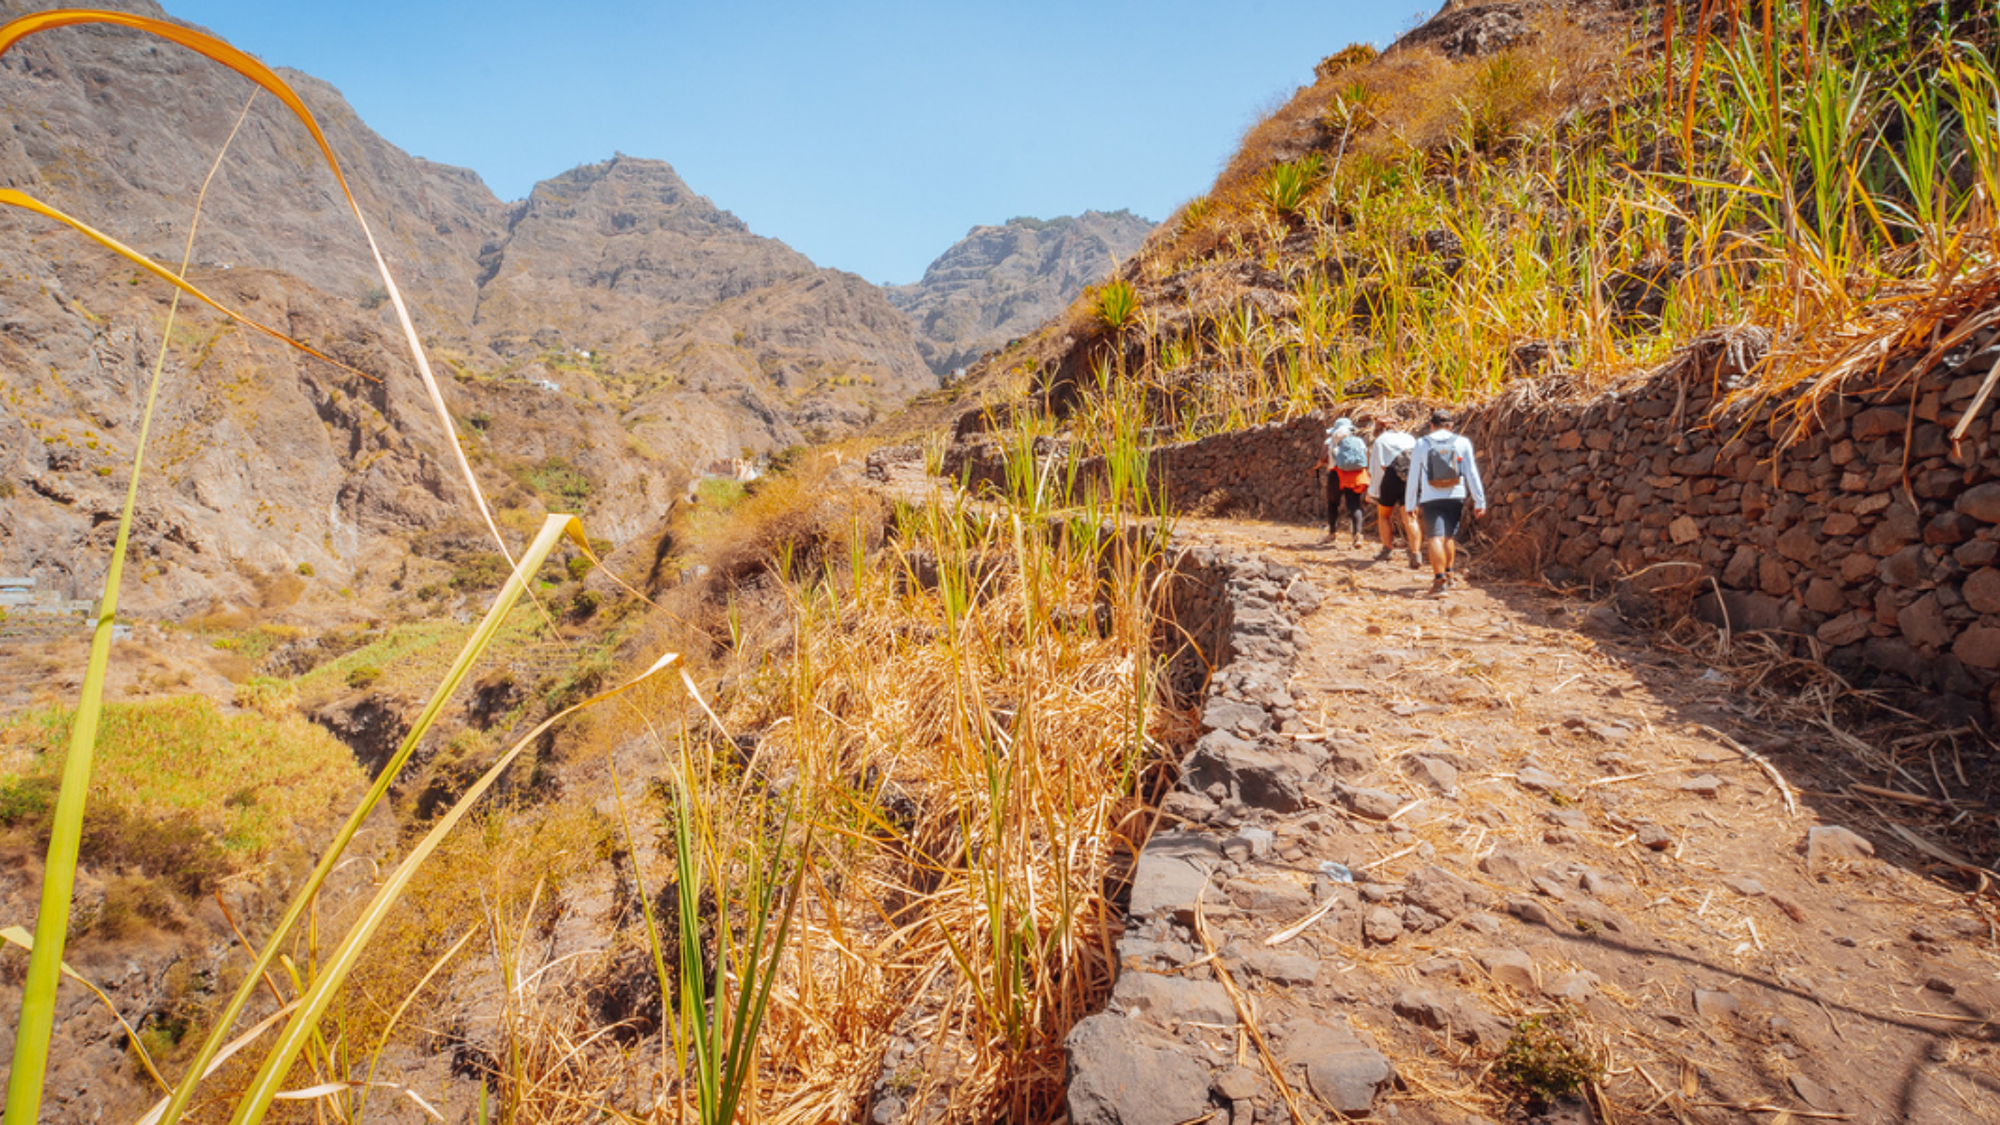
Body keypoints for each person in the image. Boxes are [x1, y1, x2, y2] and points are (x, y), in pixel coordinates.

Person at [1405, 407, 1486, 596]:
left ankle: (1439, 581)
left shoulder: (1422, 443)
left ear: (1431, 425)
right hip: (1456, 495)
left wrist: (1410, 503)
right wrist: (1479, 501)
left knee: (1435, 537)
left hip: (1431, 497)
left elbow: (1413, 475)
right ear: (1450, 425)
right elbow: (1472, 473)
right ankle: (1449, 575)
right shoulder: (1462, 442)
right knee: (1448, 537)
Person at [1367, 418, 1421, 568]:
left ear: (1378, 429)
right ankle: (1416, 553)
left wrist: (1373, 492)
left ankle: (1387, 549)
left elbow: (1378, 468)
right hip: (1410, 479)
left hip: (1390, 478)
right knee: (1410, 518)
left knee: (1384, 515)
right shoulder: (1410, 438)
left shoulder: (1380, 441)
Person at [1314, 417, 1370, 548]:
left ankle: (1332, 533)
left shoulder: (1330, 441)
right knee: (1354, 504)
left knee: (1333, 503)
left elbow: (1323, 458)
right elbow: (1366, 458)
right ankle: (1357, 535)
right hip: (1355, 475)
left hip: (1336, 474)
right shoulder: (1358, 441)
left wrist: (1317, 466)